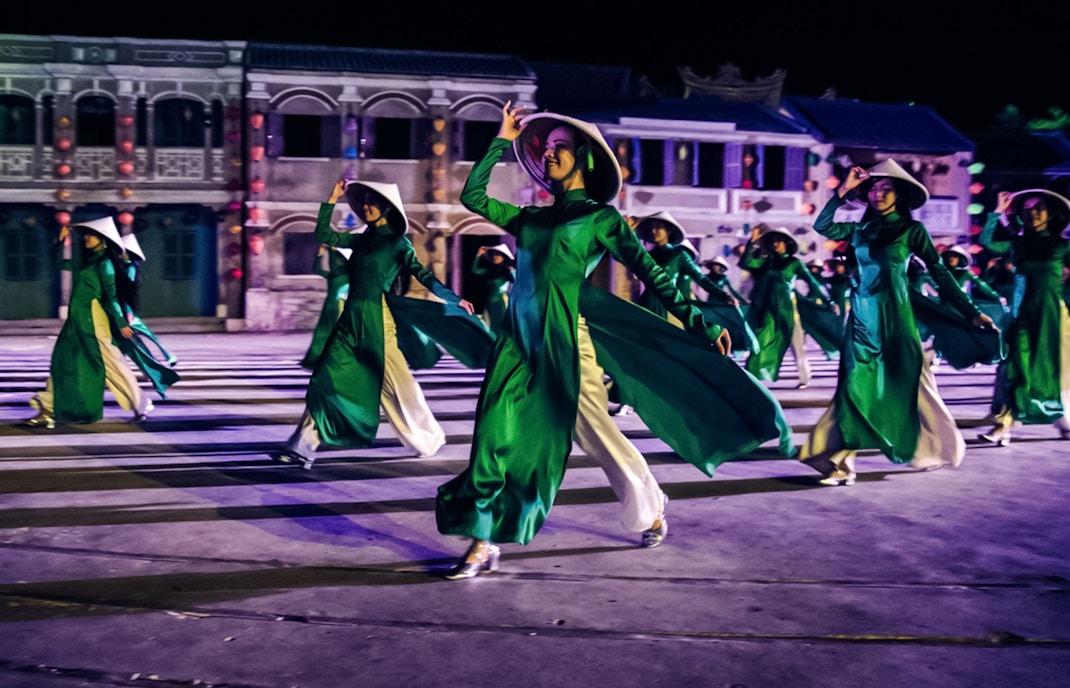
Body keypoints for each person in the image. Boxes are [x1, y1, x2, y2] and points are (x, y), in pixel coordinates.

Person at [436, 103, 790, 579]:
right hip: (516, 343)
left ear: (585, 158)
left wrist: (698, 321)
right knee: (493, 437)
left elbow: (652, 272)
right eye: (546, 148)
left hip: (566, 341)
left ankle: (651, 509)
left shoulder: (601, 219)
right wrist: (502, 139)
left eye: (561, 147)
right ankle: (484, 539)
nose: (549, 154)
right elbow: (473, 196)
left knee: (596, 434)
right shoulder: (529, 219)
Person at [800, 160, 996, 484]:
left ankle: (932, 445)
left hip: (896, 318)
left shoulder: (911, 230)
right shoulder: (859, 230)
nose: (878, 193)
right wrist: (844, 190)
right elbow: (823, 225)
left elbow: (940, 273)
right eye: (873, 188)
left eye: (886, 188)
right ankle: (841, 461)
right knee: (853, 386)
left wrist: (971, 311)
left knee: (908, 383)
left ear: (900, 194)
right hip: (861, 319)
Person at [273, 179, 477, 469]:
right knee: (326, 380)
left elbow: (422, 273)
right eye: (364, 201)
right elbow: (323, 234)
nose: (365, 206)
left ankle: (427, 439)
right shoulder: (361, 239)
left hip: (378, 322)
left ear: (387, 208)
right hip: (348, 322)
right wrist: (331, 198)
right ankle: (302, 447)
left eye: (372, 202)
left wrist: (453, 298)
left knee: (398, 388)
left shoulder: (397, 242)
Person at [25, 217, 154, 427]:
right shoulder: (85, 262)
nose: (86, 237)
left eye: (91, 234)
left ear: (103, 239)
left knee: (112, 365)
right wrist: (60, 241)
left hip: (95, 323)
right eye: (86, 234)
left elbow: (111, 296)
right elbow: (58, 263)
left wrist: (121, 323)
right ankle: (47, 408)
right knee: (63, 362)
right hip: (76, 321)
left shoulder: (105, 264)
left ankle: (140, 403)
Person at [978, 189, 1070, 445]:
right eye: (1027, 209)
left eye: (1039, 207)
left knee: (1055, 369)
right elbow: (987, 242)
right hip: (1021, 317)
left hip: (1053, 316)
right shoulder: (1017, 244)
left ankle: (1064, 421)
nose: (1033, 213)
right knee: (1015, 368)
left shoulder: (1062, 245)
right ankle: (1003, 425)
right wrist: (997, 211)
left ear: (1051, 214)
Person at [741, 224, 835, 388]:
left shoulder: (794, 263)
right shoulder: (765, 262)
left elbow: (812, 283)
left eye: (778, 240)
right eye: (772, 241)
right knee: (760, 341)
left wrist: (828, 300)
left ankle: (804, 378)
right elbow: (746, 263)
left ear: (786, 243)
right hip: (769, 310)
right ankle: (751, 376)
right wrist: (751, 243)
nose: (775, 244)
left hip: (788, 309)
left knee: (797, 345)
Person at [300, 243, 351, 370]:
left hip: (341, 304)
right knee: (325, 332)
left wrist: (328, 251)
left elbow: (319, 269)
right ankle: (322, 358)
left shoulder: (348, 274)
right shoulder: (334, 275)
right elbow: (317, 269)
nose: (334, 263)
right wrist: (321, 253)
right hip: (331, 306)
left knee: (334, 332)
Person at [470, 243, 515, 335]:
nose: (495, 256)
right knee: (488, 327)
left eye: (497, 254)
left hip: (499, 302)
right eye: (493, 254)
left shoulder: (507, 271)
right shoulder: (490, 271)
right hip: (488, 303)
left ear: (503, 257)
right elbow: (474, 270)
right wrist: (478, 255)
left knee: (498, 327)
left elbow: (518, 281)